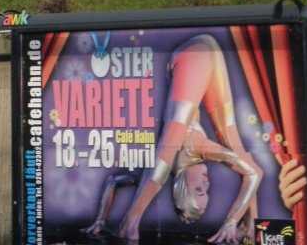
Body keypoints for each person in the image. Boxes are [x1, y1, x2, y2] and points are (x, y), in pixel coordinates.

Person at [86, 34, 262, 245]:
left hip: (195, 57)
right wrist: (100, 219)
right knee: (235, 146)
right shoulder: (174, 166)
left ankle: (130, 222)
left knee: (171, 141)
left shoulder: (195, 149)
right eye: (207, 191)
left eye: (199, 189)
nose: (207, 183)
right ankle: (251, 226)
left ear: (183, 189)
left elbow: (118, 180)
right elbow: (114, 181)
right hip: (203, 56)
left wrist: (230, 221)